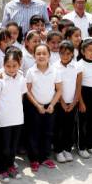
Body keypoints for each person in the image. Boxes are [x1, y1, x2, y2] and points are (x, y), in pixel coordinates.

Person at [0, 48, 26, 182]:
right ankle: (1, 169)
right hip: (4, 119)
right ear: (3, 65)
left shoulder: (21, 78)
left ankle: (10, 165)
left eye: (14, 66)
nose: (11, 69)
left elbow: (21, 96)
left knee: (13, 145)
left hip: (17, 118)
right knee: (3, 146)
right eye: (8, 66)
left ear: (19, 65)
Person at [25, 44, 62, 172]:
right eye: (38, 53)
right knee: (34, 133)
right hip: (35, 107)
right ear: (34, 56)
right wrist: (37, 105)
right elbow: (27, 91)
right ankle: (34, 159)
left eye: (44, 53)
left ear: (49, 56)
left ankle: (45, 157)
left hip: (50, 107)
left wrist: (52, 104)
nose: (41, 56)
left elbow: (59, 90)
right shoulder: (30, 71)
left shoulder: (55, 71)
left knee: (48, 132)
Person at [53, 40, 81, 163]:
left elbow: (78, 86)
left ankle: (67, 149)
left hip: (73, 102)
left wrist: (74, 102)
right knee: (59, 127)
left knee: (70, 127)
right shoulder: (54, 67)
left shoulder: (77, 66)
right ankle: (58, 150)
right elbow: (55, 87)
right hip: (59, 103)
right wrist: (63, 103)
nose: (65, 56)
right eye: (62, 53)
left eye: (68, 53)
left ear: (72, 54)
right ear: (59, 53)